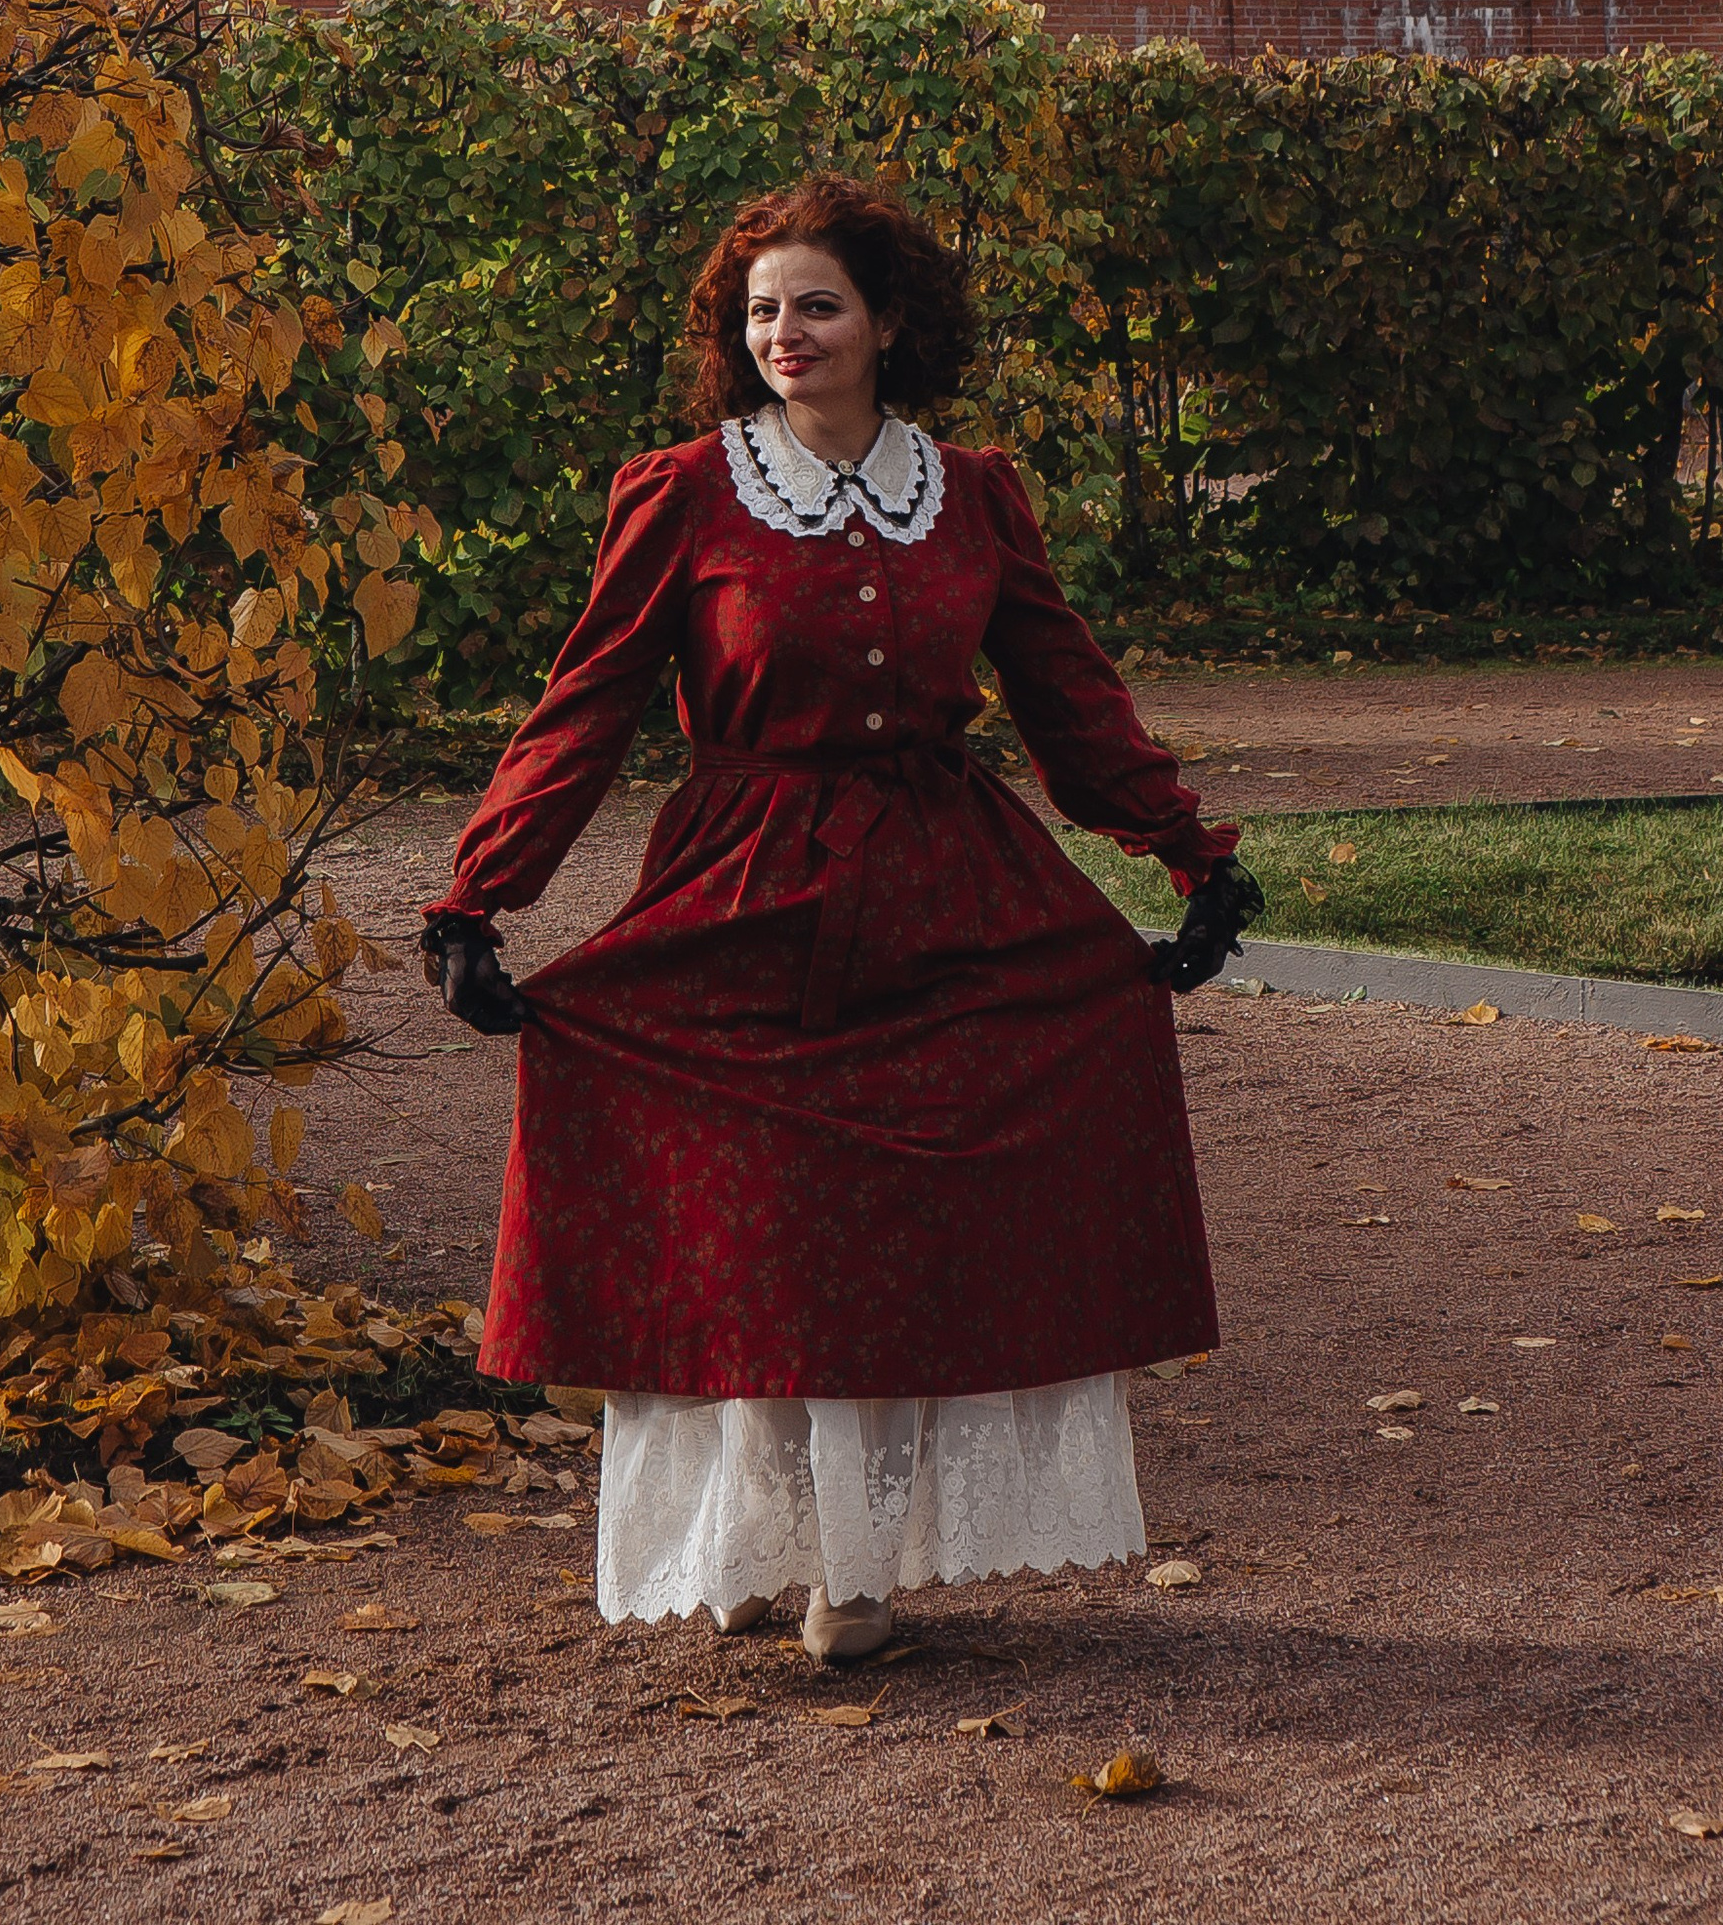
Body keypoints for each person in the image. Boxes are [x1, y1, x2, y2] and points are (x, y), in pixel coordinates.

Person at [419, 174, 1258, 1663]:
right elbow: (591, 704)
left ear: (885, 322)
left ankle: (853, 1574)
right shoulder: (683, 490)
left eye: (816, 305)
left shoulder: (975, 492)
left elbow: (1068, 696)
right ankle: (751, 1546)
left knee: (888, 1232)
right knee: (764, 1230)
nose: (784, 333)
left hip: (949, 888)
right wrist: (485, 892)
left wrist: (1188, 854)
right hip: (741, 889)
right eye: (760, 311)